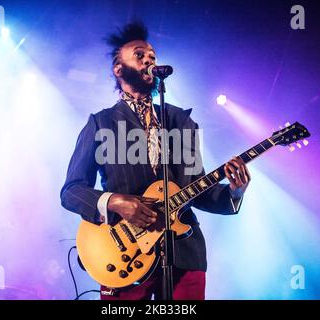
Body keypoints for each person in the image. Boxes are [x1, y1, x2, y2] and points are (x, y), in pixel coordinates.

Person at [60, 21, 251, 300]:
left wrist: (234, 191)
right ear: (118, 68)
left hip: (184, 254)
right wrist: (114, 202)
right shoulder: (100, 123)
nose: (149, 59)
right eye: (140, 55)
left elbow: (195, 188)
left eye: (152, 56)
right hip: (123, 255)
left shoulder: (180, 121)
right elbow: (71, 191)